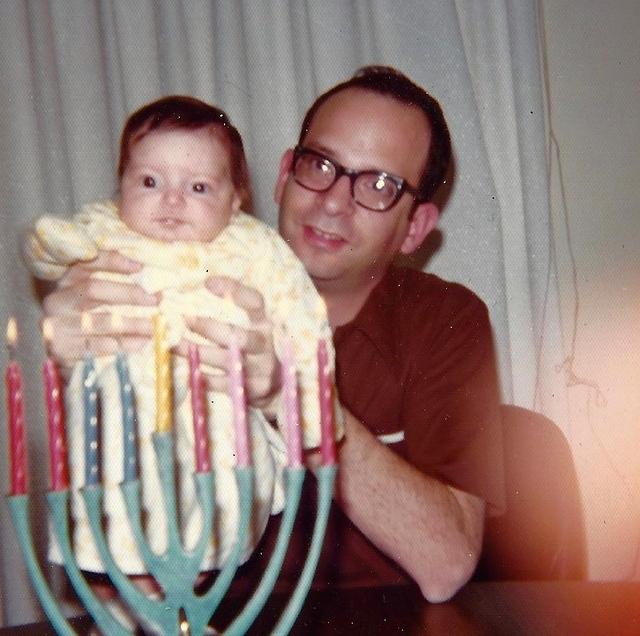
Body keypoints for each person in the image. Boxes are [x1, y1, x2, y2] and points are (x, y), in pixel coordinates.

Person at [42, 66, 504, 603]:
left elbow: (446, 564)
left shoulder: (445, 320)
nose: (333, 201)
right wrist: (88, 375)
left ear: (416, 228)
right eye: (320, 164)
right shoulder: (159, 274)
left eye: (379, 184)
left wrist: (296, 397)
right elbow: (105, 578)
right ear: (285, 174)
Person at [23, 96, 342, 578]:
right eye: (149, 182)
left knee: (227, 475)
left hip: (215, 394)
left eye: (198, 187)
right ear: (121, 187)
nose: (171, 201)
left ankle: (189, 586)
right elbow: (57, 244)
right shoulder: (106, 226)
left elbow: (303, 322)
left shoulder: (255, 247)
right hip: (122, 391)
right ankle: (126, 584)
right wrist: (50, 248)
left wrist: (312, 414)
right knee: (111, 461)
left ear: (236, 200)